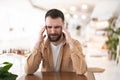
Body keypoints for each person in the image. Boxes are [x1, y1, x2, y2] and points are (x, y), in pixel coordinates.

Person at [25, 9, 87, 75]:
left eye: (57, 27)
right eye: (49, 27)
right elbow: (28, 70)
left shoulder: (74, 43)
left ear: (63, 26)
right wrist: (38, 43)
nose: (53, 31)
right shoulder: (41, 44)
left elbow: (81, 71)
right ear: (45, 26)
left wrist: (70, 43)